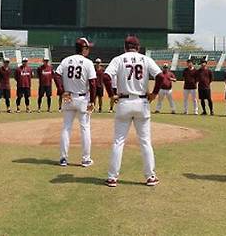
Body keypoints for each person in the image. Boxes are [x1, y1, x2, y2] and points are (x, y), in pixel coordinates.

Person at [103, 36, 162, 188]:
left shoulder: (119, 59)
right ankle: (150, 177)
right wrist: (154, 93)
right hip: (142, 102)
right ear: (138, 47)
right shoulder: (145, 59)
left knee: (118, 142)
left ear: (125, 47)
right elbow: (161, 76)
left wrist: (111, 94)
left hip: (124, 102)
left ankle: (112, 178)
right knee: (145, 142)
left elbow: (106, 76)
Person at [54, 38, 97, 167]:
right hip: (82, 99)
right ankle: (85, 159)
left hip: (68, 98)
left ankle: (63, 158)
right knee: (85, 129)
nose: (88, 50)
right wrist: (92, 101)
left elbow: (56, 75)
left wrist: (62, 91)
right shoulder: (88, 63)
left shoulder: (66, 60)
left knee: (66, 128)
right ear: (83, 49)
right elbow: (93, 83)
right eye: (87, 48)